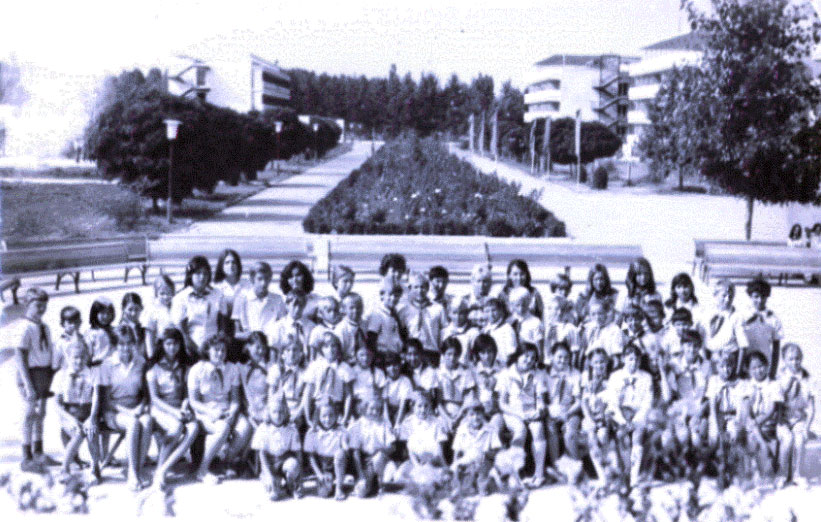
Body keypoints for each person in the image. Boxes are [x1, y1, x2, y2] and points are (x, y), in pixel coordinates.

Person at [187, 334, 252, 483]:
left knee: (245, 427)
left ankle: (223, 461)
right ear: (208, 351)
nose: (220, 353)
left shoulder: (232, 368)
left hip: (227, 410)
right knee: (222, 428)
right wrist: (211, 412)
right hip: (205, 412)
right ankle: (202, 471)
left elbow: (235, 399)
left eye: (223, 350)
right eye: (216, 350)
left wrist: (232, 412)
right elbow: (194, 401)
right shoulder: (197, 370)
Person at [97, 325, 153, 490]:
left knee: (147, 421)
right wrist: (129, 412)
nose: (126, 348)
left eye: (130, 343)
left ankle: (136, 468)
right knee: (133, 423)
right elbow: (106, 401)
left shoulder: (141, 362)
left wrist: (141, 407)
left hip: (136, 407)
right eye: (122, 344)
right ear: (115, 345)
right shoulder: (107, 365)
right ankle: (132, 475)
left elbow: (146, 393)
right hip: (114, 411)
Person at [146, 326, 199, 489]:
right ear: (162, 345)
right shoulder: (154, 368)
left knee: (194, 427)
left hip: (179, 408)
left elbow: (187, 394)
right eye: (168, 344)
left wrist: (184, 406)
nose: (172, 348)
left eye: (175, 344)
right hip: (161, 409)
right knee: (176, 428)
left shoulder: (185, 367)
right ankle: (160, 471)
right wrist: (175, 412)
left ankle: (163, 469)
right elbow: (154, 399)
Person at [12, 287, 55, 473]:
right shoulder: (23, 327)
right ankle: (26, 456)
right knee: (29, 414)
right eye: (38, 305)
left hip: (44, 374)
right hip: (30, 375)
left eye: (44, 305)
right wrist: (28, 385)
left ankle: (38, 452)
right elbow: (20, 356)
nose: (41, 309)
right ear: (27, 304)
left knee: (41, 413)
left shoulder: (44, 326)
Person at [496, 343, 550, 488]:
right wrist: (519, 414)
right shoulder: (506, 374)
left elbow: (540, 399)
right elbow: (502, 403)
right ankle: (514, 475)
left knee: (538, 428)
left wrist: (539, 410)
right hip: (512, 413)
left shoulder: (537, 374)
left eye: (532, 358)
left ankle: (539, 474)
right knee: (520, 430)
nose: (529, 360)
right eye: (526, 356)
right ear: (518, 356)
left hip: (531, 411)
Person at [52, 341, 101, 482]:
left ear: (86, 357)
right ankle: (64, 469)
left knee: (91, 430)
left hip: (88, 413)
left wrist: (92, 418)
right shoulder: (61, 375)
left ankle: (95, 468)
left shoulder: (92, 373)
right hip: (69, 415)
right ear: (68, 357)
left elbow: (96, 398)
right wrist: (71, 419)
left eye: (81, 357)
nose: (79, 361)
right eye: (75, 357)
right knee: (79, 431)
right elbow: (56, 404)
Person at [607, 344, 654, 487]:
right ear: (623, 359)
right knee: (622, 436)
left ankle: (634, 476)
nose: (634, 363)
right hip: (620, 414)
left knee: (637, 435)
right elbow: (612, 402)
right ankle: (624, 472)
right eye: (630, 359)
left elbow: (647, 402)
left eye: (637, 360)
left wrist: (636, 420)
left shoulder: (646, 377)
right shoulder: (615, 377)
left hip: (638, 415)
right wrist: (622, 421)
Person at [744, 351, 791, 482]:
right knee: (750, 436)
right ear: (748, 370)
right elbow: (747, 408)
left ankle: (781, 473)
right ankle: (757, 472)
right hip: (754, 424)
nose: (758, 371)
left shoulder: (774, 385)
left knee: (787, 437)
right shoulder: (748, 386)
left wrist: (757, 422)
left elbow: (772, 409)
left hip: (772, 423)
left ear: (767, 366)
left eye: (760, 366)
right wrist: (753, 422)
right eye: (754, 368)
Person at [172, 256, 229, 360]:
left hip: (215, 350)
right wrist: (197, 351)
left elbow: (223, 327)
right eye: (198, 273)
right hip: (190, 351)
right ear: (190, 275)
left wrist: (215, 348)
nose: (202, 277)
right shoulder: (180, 298)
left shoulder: (218, 295)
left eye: (205, 273)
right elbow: (182, 332)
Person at [777, 343, 815, 487]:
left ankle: (798, 475)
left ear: (801, 358)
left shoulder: (807, 379)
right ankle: (781, 475)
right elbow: (776, 403)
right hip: (782, 418)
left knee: (799, 440)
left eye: (797, 358)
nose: (794, 362)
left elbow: (811, 407)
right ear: (784, 360)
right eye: (791, 359)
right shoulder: (779, 378)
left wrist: (807, 427)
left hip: (799, 419)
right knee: (787, 439)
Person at [252, 394, 303, 500]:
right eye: (274, 412)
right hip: (269, 463)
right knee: (273, 495)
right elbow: (262, 454)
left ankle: (291, 486)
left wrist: (299, 475)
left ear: (285, 412)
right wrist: (269, 474)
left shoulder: (291, 429)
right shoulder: (263, 429)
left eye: (281, 412)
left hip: (284, 460)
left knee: (293, 465)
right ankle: (274, 482)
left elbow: (298, 452)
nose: (278, 415)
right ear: (269, 413)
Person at [301, 332, 354, 426]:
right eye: (326, 346)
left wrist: (345, 418)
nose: (330, 350)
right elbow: (307, 393)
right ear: (321, 349)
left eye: (333, 346)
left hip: (336, 409)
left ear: (338, 348)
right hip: (318, 408)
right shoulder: (315, 366)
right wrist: (308, 418)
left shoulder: (344, 368)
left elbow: (348, 395)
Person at [348, 393, 395, 497]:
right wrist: (361, 475)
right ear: (365, 408)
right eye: (372, 409)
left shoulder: (384, 423)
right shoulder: (358, 425)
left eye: (378, 409)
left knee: (378, 458)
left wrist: (381, 450)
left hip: (381, 460)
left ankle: (381, 485)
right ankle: (369, 483)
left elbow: (392, 447)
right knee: (361, 493)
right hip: (365, 461)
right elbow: (355, 452)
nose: (375, 412)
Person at [699, 279, 749, 376]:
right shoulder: (707, 313)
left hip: (728, 360)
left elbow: (743, 346)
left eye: (730, 296)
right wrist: (705, 360)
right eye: (724, 295)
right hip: (709, 359)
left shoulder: (737, 317)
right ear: (715, 295)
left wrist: (737, 372)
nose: (727, 299)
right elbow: (701, 338)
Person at [579, 348, 613, 485]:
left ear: (607, 362)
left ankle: (607, 470)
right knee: (591, 435)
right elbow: (584, 402)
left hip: (606, 417)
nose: (599, 365)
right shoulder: (588, 381)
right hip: (591, 417)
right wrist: (590, 418)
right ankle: (602, 476)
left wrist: (603, 417)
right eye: (596, 362)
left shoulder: (611, 379)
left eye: (602, 362)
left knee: (603, 435)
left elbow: (612, 403)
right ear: (591, 364)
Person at [398, 272, 447, 366]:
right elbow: (401, 334)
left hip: (431, 353)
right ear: (410, 288)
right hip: (412, 355)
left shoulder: (438, 309)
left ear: (428, 288)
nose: (420, 291)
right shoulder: (404, 310)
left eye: (422, 287)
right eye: (416, 287)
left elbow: (444, 333)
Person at [304, 399, 350, 500]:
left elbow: (345, 449)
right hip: (322, 466)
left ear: (336, 415)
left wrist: (345, 444)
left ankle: (339, 488)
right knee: (324, 493)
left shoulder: (341, 430)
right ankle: (328, 481)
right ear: (318, 416)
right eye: (324, 416)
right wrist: (319, 474)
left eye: (331, 415)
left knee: (340, 453)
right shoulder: (313, 432)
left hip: (337, 463)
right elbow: (311, 457)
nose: (327, 419)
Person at [545, 342, 582, 462]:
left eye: (566, 357)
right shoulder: (545, 374)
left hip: (571, 410)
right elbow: (541, 398)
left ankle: (575, 465)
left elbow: (578, 401)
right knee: (550, 429)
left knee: (570, 432)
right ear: (552, 357)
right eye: (559, 357)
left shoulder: (575, 374)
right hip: (551, 411)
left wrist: (567, 413)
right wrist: (549, 411)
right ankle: (556, 465)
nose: (563, 360)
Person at [232, 261, 285, 343]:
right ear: (252, 279)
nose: (263, 283)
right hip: (249, 343)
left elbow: (282, 326)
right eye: (259, 279)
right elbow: (236, 333)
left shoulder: (278, 300)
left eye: (266, 278)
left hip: (271, 344)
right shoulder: (241, 299)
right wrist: (253, 337)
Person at [743, 278, 783, 379]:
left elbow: (776, 349)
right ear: (750, 296)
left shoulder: (773, 319)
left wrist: (773, 372)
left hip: (764, 366)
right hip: (746, 365)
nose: (760, 300)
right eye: (756, 296)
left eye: (763, 296)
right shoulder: (742, 316)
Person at [434, 337, 477, 433]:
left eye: (455, 354)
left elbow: (468, 399)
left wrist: (457, 418)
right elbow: (438, 402)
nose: (452, 358)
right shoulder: (438, 373)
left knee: (465, 429)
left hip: (462, 411)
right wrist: (449, 419)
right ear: (443, 355)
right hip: (444, 412)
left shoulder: (466, 372)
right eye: (449, 354)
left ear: (459, 355)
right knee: (440, 428)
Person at [267, 341, 308, 433]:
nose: (292, 353)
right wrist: (274, 412)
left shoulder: (305, 372)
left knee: (296, 427)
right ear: (283, 355)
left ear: (301, 354)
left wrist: (298, 414)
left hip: (297, 410)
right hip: (279, 408)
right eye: (288, 350)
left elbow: (305, 398)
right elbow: (271, 395)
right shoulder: (276, 369)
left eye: (295, 350)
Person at [265, 289, 315, 355]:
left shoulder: (311, 327)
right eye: (295, 305)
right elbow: (272, 351)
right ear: (287, 305)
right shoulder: (277, 327)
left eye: (301, 305)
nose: (298, 309)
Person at [240, 332, 272, 428]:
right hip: (249, 414)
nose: (261, 351)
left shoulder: (270, 368)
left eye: (263, 348)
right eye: (257, 347)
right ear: (248, 347)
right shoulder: (240, 368)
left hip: (267, 413)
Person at [365, 279, 405, 356]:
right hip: (383, 356)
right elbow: (371, 340)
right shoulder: (377, 314)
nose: (393, 298)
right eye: (390, 295)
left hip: (395, 355)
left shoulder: (394, 313)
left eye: (396, 296)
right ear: (382, 295)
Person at [580, 300, 623, 368]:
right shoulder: (588, 328)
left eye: (600, 313)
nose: (597, 317)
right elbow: (583, 350)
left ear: (606, 313)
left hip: (606, 365)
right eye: (593, 314)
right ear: (590, 315)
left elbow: (616, 358)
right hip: (590, 364)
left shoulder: (614, 330)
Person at [143, 276, 176, 363]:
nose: (166, 297)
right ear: (156, 293)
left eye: (169, 293)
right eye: (162, 293)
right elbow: (149, 335)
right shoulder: (152, 310)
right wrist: (151, 356)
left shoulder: (177, 306)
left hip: (176, 347)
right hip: (161, 347)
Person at [544, 294, 580, 369]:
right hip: (547, 366)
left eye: (562, 309)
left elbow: (574, 353)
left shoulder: (571, 328)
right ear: (550, 309)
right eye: (556, 309)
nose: (559, 312)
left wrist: (571, 369)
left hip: (564, 366)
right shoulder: (546, 328)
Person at [350, 344, 387, 419]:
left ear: (373, 356)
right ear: (356, 356)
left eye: (368, 355)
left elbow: (382, 396)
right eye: (362, 355)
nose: (365, 358)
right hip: (356, 406)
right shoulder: (351, 371)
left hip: (373, 406)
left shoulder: (378, 372)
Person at [213, 249, 249, 322]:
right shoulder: (215, 288)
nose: (231, 265)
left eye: (234, 262)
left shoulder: (248, 285)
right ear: (221, 266)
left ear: (238, 265)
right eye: (227, 263)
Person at [508, 287, 545, 358]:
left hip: (529, 358)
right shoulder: (509, 322)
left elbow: (539, 349)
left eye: (524, 305)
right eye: (517, 305)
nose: (521, 308)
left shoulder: (535, 322)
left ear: (528, 303)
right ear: (512, 305)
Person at [382, 351, 414, 428]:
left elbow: (403, 404)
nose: (392, 368)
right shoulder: (385, 380)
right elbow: (385, 404)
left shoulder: (405, 380)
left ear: (400, 365)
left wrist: (397, 424)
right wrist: (387, 421)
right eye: (389, 365)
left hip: (403, 411)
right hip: (388, 411)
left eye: (395, 365)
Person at [483, 297, 518, 365]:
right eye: (487, 311)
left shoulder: (507, 329)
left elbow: (512, 354)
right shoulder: (486, 329)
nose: (491, 314)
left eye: (494, 310)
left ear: (501, 311)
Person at [442, 301, 479, 366]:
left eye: (461, 313)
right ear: (449, 314)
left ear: (467, 314)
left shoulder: (473, 332)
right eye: (454, 313)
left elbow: (476, 356)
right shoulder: (444, 332)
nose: (457, 317)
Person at [334, 293, 368, 364]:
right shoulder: (341, 329)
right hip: (347, 363)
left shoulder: (365, 324)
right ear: (344, 310)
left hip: (365, 362)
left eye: (359, 307)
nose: (355, 311)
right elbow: (338, 354)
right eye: (351, 308)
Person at [52, 305, 85, 371]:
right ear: (62, 324)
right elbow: (55, 365)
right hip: (66, 373)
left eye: (76, 322)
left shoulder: (84, 340)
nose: (73, 325)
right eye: (70, 323)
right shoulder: (60, 342)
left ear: (80, 322)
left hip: (83, 373)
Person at [85, 297, 117, 367]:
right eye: (102, 313)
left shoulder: (115, 331)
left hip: (114, 367)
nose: (106, 316)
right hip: (98, 367)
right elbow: (87, 357)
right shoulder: (90, 334)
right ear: (95, 314)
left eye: (108, 313)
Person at [307, 296, 341, 360]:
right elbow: (312, 355)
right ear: (321, 313)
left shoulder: (342, 327)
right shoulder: (317, 330)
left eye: (335, 310)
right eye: (329, 311)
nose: (333, 313)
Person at [119, 292, 146, 357]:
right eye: (130, 309)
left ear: (141, 308)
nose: (133, 313)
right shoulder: (120, 330)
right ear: (123, 309)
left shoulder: (141, 329)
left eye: (136, 309)